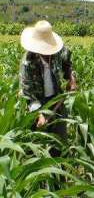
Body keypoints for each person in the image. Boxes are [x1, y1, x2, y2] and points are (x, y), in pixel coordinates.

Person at [19, 20, 76, 156]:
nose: (47, 52)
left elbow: (67, 63)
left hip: (56, 99)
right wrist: (39, 114)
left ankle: (60, 174)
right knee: (36, 145)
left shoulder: (58, 51)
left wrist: (71, 79)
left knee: (60, 143)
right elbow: (28, 94)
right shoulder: (27, 62)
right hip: (37, 103)